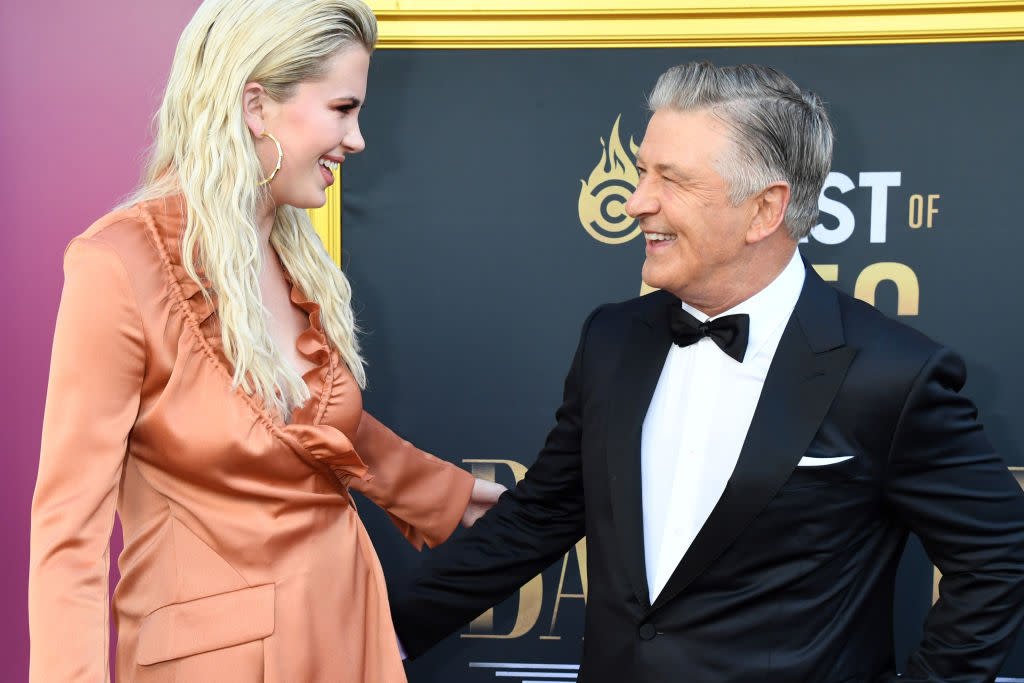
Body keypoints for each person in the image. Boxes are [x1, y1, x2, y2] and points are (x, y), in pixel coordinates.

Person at [390, 62, 1024, 681]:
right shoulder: (613, 340)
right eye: (641, 172)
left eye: (673, 180)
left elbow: (998, 556)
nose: (637, 202)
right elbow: (540, 518)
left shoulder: (891, 374)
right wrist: (384, 634)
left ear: (764, 211)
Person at [27, 0, 503, 680]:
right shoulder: (119, 263)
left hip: (344, 635)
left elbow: (313, 427)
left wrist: (452, 495)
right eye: (343, 108)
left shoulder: (293, 255)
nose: (359, 137)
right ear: (256, 104)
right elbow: (68, 533)